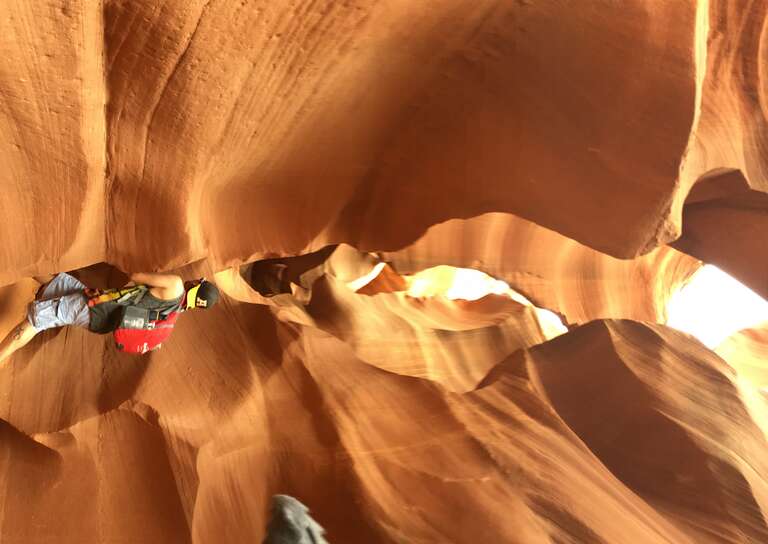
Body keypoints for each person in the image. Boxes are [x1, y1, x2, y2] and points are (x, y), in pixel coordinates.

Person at [0, 271, 220, 363]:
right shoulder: (172, 316)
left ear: (195, 285)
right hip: (100, 317)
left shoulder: (175, 285)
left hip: (96, 307)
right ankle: (20, 267)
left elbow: (136, 276)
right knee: (59, 282)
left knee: (35, 322)